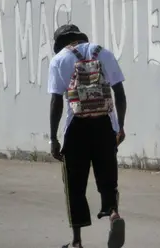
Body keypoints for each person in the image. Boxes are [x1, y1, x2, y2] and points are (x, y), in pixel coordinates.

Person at [48, 24, 128, 248]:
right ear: (80, 38)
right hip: (104, 125)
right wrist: (119, 127)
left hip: (76, 129)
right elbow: (119, 94)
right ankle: (113, 215)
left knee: (74, 184)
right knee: (107, 178)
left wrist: (53, 138)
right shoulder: (103, 52)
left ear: (60, 43)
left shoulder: (60, 60)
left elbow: (56, 102)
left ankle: (76, 242)